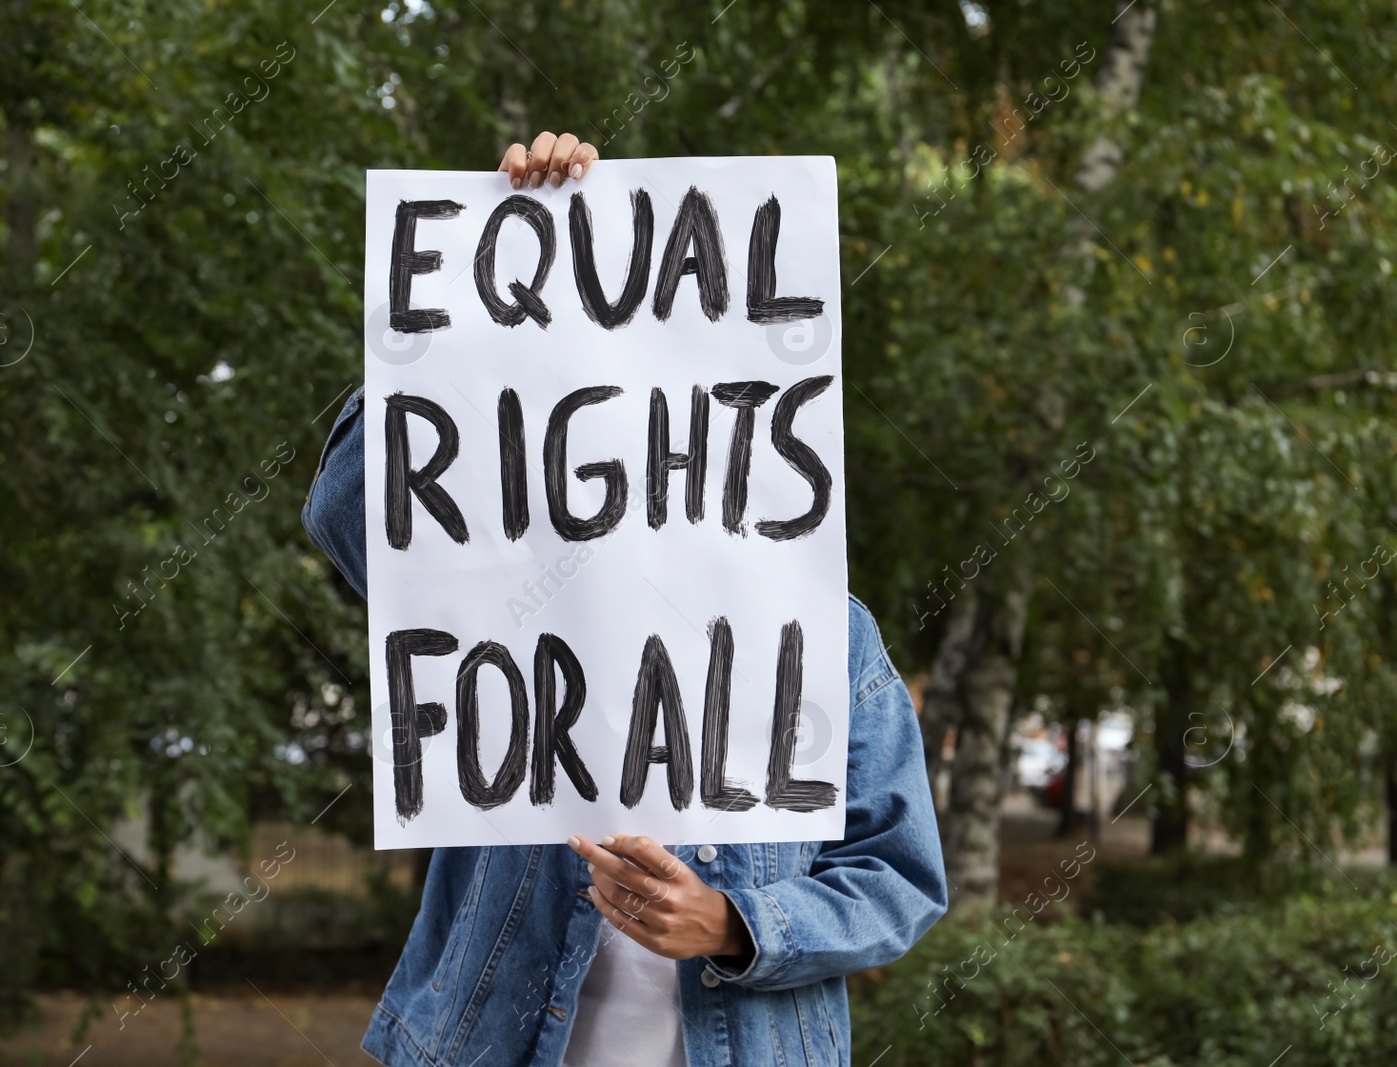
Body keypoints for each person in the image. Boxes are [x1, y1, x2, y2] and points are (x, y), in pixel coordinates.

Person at [302, 131, 947, 1067]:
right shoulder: (510, 590)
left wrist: (735, 923)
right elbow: (349, 503)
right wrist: (495, 269)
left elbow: (899, 873)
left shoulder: (828, 631)